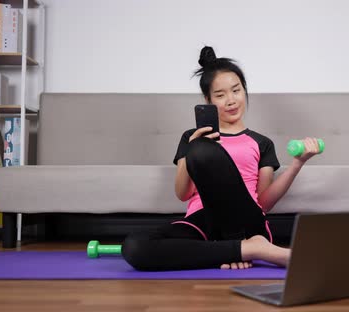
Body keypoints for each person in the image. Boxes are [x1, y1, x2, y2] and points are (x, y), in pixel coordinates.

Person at [121, 46, 321, 271]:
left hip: (245, 219)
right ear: (208, 100)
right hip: (202, 220)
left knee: (203, 151)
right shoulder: (191, 137)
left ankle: (235, 245)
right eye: (220, 95)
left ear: (244, 91)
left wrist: (298, 163)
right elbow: (183, 194)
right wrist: (192, 147)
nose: (231, 100)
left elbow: (263, 203)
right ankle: (252, 249)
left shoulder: (261, 143)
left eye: (236, 90)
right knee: (134, 247)